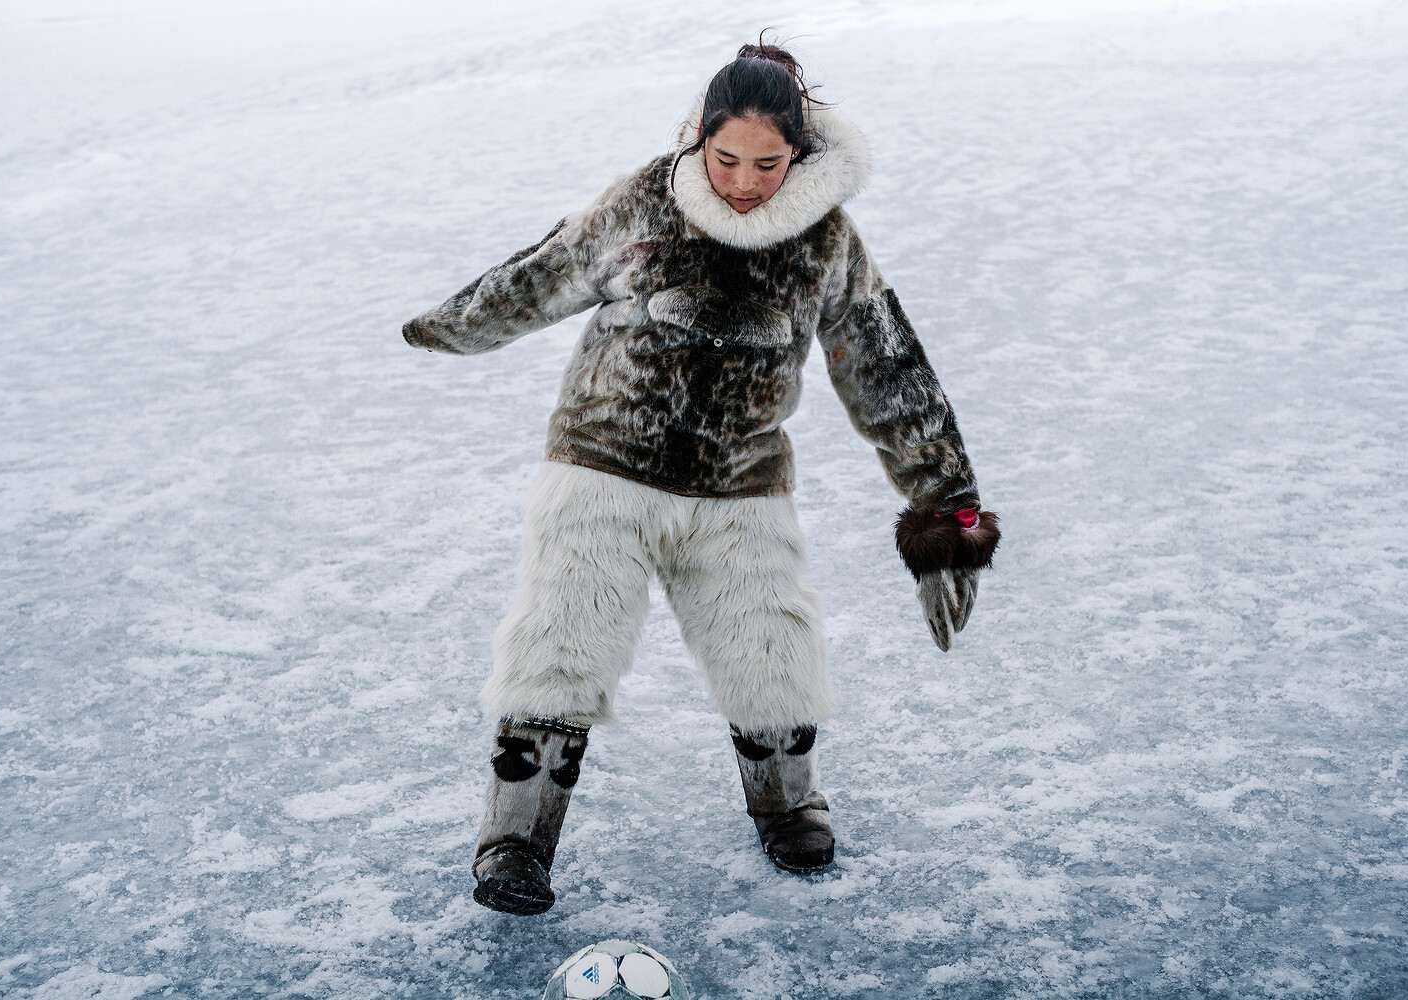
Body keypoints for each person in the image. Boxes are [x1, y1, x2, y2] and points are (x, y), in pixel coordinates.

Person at [402, 41, 1000, 916]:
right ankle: (513, 845)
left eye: (768, 162)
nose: (745, 181)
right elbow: (543, 275)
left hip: (741, 481)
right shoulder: (647, 199)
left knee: (772, 652)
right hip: (604, 466)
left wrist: (948, 507)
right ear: (698, 140)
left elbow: (887, 367)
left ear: (797, 152)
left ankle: (789, 807)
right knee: (558, 653)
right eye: (726, 160)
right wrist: (446, 325)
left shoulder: (825, 241)